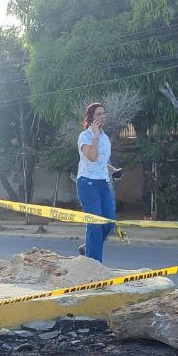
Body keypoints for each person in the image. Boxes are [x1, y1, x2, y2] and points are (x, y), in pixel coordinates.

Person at [75, 102, 117, 261]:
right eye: (99, 114)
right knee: (95, 224)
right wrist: (95, 136)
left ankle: (88, 247)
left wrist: (112, 169)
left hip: (103, 183)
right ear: (91, 117)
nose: (102, 116)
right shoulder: (85, 136)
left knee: (109, 221)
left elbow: (100, 161)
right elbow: (91, 157)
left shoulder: (105, 138)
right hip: (87, 184)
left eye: (104, 113)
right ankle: (94, 264)